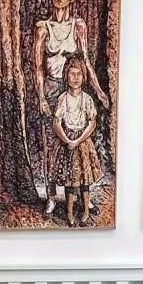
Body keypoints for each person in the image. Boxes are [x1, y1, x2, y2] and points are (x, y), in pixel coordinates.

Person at [33, 0, 110, 217]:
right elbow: (37, 67)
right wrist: (41, 97)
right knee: (50, 147)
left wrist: (98, 91)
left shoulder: (79, 26)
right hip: (51, 89)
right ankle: (52, 196)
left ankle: (83, 199)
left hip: (73, 92)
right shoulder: (42, 28)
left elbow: (86, 62)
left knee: (78, 147)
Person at [50, 57, 102, 227]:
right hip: (67, 141)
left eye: (79, 74)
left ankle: (86, 211)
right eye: (72, 74)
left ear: (83, 76)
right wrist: (67, 140)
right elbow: (56, 123)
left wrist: (79, 140)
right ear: (66, 76)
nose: (75, 78)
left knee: (85, 180)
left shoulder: (87, 99)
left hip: (83, 142)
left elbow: (92, 123)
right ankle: (70, 213)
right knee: (70, 181)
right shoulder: (62, 99)